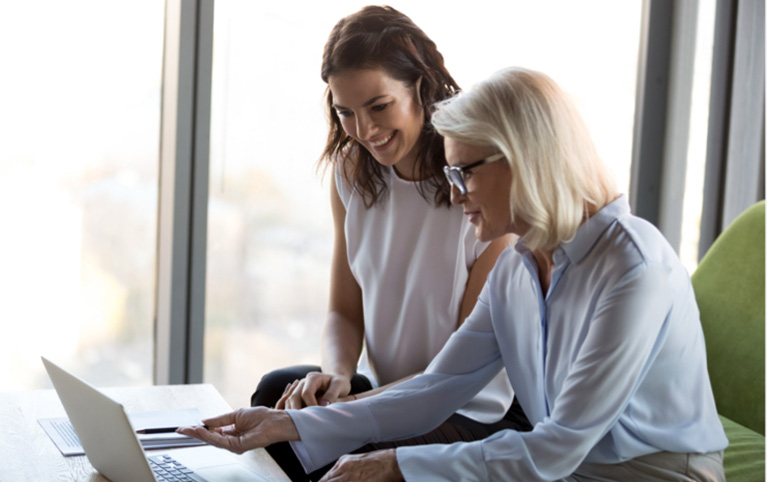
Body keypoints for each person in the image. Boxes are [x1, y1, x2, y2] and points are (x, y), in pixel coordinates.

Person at [184, 68, 728, 481]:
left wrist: (399, 464)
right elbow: (438, 386)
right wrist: (291, 425)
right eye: (450, 172)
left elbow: (557, 446)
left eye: (464, 171)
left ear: (526, 159)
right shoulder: (519, 268)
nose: (453, 192)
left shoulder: (632, 266)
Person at [248, 6, 529, 480]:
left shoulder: (481, 191)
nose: (363, 131)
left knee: (326, 445)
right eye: (345, 112)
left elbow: (456, 374)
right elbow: (343, 310)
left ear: (420, 85)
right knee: (276, 392)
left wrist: (345, 412)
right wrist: (337, 375)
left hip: (469, 409)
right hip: (386, 392)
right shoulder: (352, 176)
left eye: (379, 106)